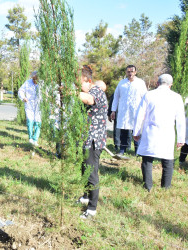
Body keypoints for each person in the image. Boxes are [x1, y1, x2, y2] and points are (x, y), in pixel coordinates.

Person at [133, 74, 186, 192]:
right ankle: (166, 187)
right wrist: (181, 138)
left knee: (147, 159)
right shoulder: (176, 97)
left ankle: (148, 186)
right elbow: (181, 119)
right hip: (167, 133)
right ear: (170, 85)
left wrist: (136, 131)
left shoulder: (149, 94)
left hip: (151, 131)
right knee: (167, 160)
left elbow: (139, 115)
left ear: (157, 83)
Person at [76, 65, 108, 219]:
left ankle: (92, 209)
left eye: (80, 84)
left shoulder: (96, 92)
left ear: (88, 80)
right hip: (86, 138)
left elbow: (88, 100)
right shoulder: (90, 90)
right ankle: (86, 196)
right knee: (85, 170)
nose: (79, 87)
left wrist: (72, 92)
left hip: (94, 140)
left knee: (91, 172)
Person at [111, 65, 147, 155]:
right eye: (128, 72)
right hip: (124, 111)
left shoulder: (140, 83)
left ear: (135, 72)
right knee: (124, 130)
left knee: (136, 130)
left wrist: (146, 111)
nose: (130, 73)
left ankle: (137, 151)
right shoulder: (122, 83)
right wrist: (113, 110)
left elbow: (145, 98)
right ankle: (122, 150)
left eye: (132, 71)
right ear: (126, 72)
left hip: (136, 111)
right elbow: (116, 97)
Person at [18, 71, 41, 146]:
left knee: (38, 122)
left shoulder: (42, 83)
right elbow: (21, 90)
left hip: (39, 105)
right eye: (34, 79)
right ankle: (30, 138)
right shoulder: (27, 82)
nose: (35, 81)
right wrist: (23, 97)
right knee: (30, 121)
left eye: (36, 79)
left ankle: (35, 139)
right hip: (29, 104)